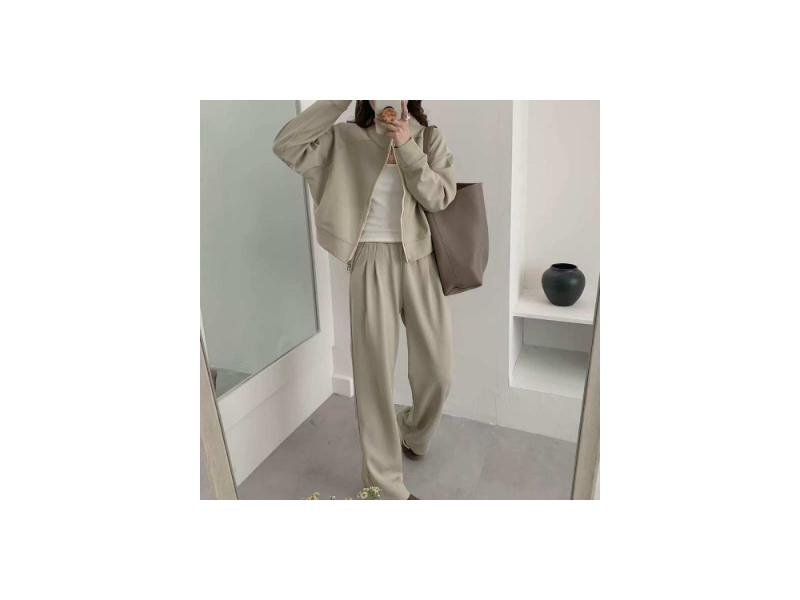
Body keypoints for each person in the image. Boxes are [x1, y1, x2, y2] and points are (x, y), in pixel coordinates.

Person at [273, 100, 456, 500]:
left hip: (421, 260)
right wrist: (338, 97)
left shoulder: (429, 138)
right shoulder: (345, 139)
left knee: (439, 371)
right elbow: (287, 145)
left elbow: (440, 197)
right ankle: (384, 486)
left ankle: (413, 433)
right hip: (370, 260)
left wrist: (407, 147)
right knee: (374, 379)